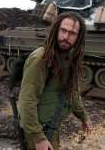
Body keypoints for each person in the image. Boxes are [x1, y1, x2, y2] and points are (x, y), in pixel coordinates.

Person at [18, 11, 92, 150]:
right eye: (63, 30)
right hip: (38, 129)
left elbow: (72, 91)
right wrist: (38, 138)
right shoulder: (41, 59)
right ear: (56, 29)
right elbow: (27, 101)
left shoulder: (68, 57)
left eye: (72, 33)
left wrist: (83, 116)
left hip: (52, 126)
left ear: (78, 37)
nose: (66, 37)